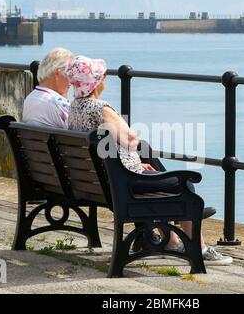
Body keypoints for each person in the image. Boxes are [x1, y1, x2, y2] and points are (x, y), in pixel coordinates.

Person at [66, 55, 232, 265]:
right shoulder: (100, 108)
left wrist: (132, 164)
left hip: (100, 182)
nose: (106, 80)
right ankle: (199, 248)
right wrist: (131, 160)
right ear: (96, 81)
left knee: (163, 177)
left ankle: (172, 240)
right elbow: (131, 140)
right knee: (184, 182)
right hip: (122, 182)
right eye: (103, 76)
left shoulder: (74, 108)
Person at [23, 48, 74, 129]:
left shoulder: (29, 99)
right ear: (58, 73)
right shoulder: (58, 104)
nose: (72, 80)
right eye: (70, 74)